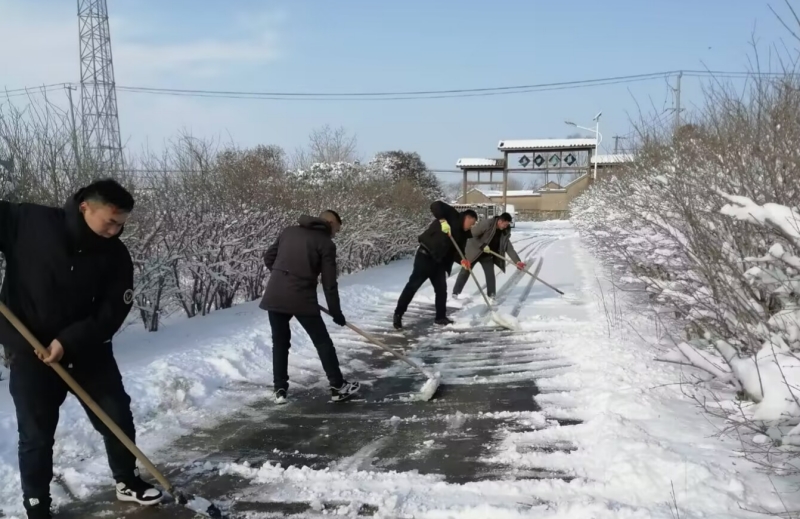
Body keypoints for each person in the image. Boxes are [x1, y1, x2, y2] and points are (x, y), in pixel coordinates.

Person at [0, 179, 162, 519]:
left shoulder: (115, 255)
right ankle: (36, 504)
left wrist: (67, 341)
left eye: (121, 224)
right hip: (31, 351)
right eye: (111, 222)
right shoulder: (29, 222)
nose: (115, 231)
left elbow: (112, 310)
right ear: (85, 206)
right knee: (36, 434)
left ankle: (126, 479)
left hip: (88, 351)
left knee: (116, 416)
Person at [260, 210, 360, 404]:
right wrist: (336, 312)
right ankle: (338, 387)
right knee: (322, 342)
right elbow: (329, 283)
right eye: (337, 230)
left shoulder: (289, 231)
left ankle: (280, 389)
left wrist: (283, 277)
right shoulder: (326, 244)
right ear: (330, 223)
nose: (336, 234)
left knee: (280, 343)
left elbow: (268, 258)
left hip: (276, 294)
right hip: (301, 298)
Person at [393, 201, 478, 329]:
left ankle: (440, 318)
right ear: (467, 218)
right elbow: (436, 205)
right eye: (472, 223)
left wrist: (462, 260)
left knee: (441, 290)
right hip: (425, 256)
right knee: (413, 286)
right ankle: (398, 314)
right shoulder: (452, 215)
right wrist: (443, 221)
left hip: (439, 263)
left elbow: (457, 252)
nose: (471, 226)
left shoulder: (463, 235)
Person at [452, 212, 525, 302]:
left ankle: (491, 296)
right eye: (505, 224)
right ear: (500, 221)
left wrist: (517, 261)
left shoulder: (504, 231)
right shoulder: (487, 224)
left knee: (490, 274)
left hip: (487, 254)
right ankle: (455, 293)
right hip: (473, 251)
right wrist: (482, 245)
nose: (506, 226)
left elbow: (508, 247)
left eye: (507, 225)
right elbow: (471, 235)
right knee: (465, 272)